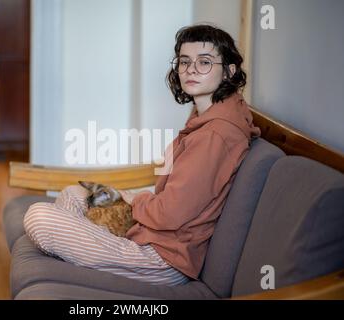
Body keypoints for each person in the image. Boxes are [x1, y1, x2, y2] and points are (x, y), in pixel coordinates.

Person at [24, 24, 261, 286]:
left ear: (229, 70)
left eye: (204, 62)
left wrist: (135, 200)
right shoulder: (206, 115)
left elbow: (171, 214)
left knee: (38, 217)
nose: (191, 69)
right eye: (184, 62)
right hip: (150, 237)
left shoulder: (215, 136)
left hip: (162, 259)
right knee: (73, 193)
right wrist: (137, 199)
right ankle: (76, 248)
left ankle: (72, 251)